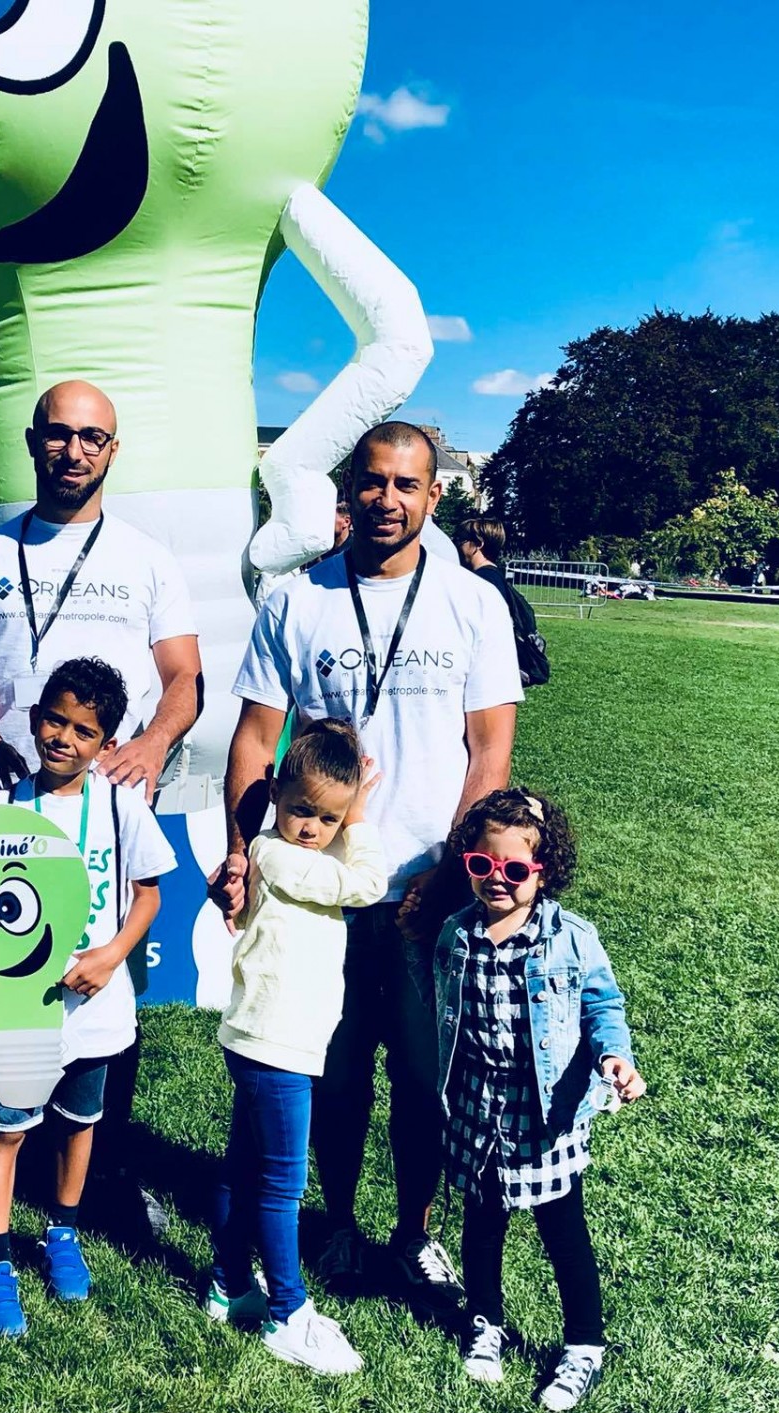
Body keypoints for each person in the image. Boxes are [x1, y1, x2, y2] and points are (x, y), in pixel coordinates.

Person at [216, 420, 522, 1308]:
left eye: (406, 485)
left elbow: (490, 750)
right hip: (319, 892)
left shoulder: (473, 602)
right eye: (373, 482)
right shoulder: (296, 599)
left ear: (435, 497)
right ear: (349, 489)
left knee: (427, 1077)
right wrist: (243, 854)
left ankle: (413, 1232)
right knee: (336, 1068)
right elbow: (253, 739)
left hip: (431, 889)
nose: (387, 500)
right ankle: (341, 1220)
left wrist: (448, 875)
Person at [0, 379, 203, 1229]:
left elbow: (186, 678)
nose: (73, 450)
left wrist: (150, 745)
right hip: (6, 804)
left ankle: (94, 1171)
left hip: (104, 807)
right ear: (33, 439)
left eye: (92, 437)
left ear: (111, 451)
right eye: (58, 434)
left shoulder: (148, 559)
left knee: (103, 981)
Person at [0, 657, 175, 1338]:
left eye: (83, 730)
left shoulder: (120, 806)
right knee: (4, 1132)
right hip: (18, 1006)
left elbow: (148, 892)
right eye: (54, 719)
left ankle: (62, 1230)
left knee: (79, 1124)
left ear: (106, 744)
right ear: (32, 719)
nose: (63, 737)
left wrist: (112, 955)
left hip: (96, 1008)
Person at [433, 789, 645, 1412]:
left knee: (562, 1228)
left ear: (542, 871)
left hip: (544, 1113)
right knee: (483, 1221)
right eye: (483, 866)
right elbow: (439, 1000)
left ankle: (584, 1344)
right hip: (476, 1105)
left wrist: (614, 1057)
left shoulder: (571, 939)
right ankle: (485, 1321)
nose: (498, 880)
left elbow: (604, 1004)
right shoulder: (455, 934)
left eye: (515, 870)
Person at [204, 719, 385, 1375]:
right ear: (276, 792)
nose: (311, 826)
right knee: (282, 1185)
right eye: (301, 809)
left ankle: (228, 1285)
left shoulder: (299, 853)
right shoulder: (274, 854)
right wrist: (359, 816)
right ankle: (289, 1311)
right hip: (274, 1042)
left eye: (327, 818)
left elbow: (338, 868)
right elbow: (366, 883)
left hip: (273, 1036)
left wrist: (348, 809)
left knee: (243, 1166)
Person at [453, 518, 548, 688]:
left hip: (487, 672)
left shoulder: (481, 581)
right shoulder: (496, 577)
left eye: (460, 540)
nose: (456, 546)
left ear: (478, 544)